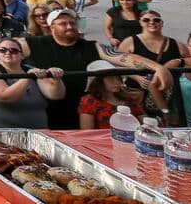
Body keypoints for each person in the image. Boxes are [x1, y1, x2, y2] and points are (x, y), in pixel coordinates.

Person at [17, 9, 173, 130]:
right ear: (52, 27)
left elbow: (122, 57)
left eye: (72, 23)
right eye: (63, 23)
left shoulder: (91, 46)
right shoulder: (34, 43)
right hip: (46, 110)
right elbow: (4, 50)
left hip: (83, 110)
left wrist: (157, 67)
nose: (70, 27)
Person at [0, 39, 65, 128]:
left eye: (14, 50)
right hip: (1, 135)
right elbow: (5, 96)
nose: (8, 53)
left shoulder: (32, 70)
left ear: (22, 55)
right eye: (3, 50)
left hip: (37, 133)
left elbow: (55, 95)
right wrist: (27, 78)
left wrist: (56, 80)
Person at [78, 59, 147, 129]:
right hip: (102, 139)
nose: (117, 82)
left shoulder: (129, 98)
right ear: (99, 81)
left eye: (118, 78)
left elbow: (145, 125)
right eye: (110, 78)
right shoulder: (89, 101)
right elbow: (87, 132)